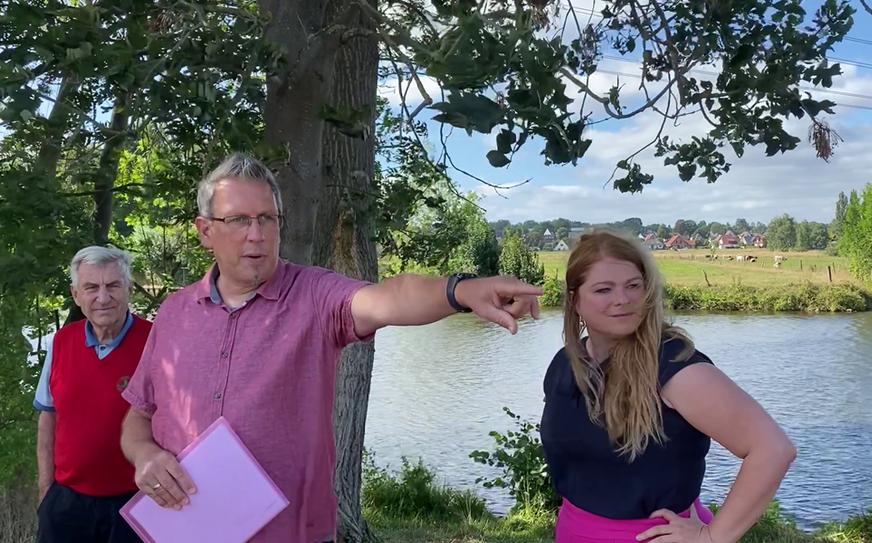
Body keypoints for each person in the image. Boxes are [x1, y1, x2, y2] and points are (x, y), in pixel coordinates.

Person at [118, 153, 542, 543]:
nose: (257, 234)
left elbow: (390, 297)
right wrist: (144, 456)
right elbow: (139, 415)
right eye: (239, 220)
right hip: (184, 531)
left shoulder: (314, 296)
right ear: (205, 230)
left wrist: (460, 291)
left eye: (268, 218)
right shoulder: (175, 312)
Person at [540, 228, 797, 543]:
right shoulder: (566, 364)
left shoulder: (675, 368)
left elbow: (772, 449)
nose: (623, 299)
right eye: (604, 289)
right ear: (574, 299)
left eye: (633, 285)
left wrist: (711, 537)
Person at [33, 246, 151, 543]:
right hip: (66, 504)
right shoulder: (61, 342)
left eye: (112, 285)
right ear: (76, 295)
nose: (103, 297)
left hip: (136, 502)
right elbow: (48, 418)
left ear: (129, 288)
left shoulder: (156, 341)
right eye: (91, 287)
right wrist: (46, 489)